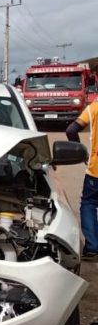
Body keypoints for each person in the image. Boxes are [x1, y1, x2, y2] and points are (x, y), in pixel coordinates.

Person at [66, 99, 98, 259]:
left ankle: (92, 247)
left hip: (95, 171)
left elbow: (72, 129)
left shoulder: (94, 108)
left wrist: (78, 151)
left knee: (89, 204)